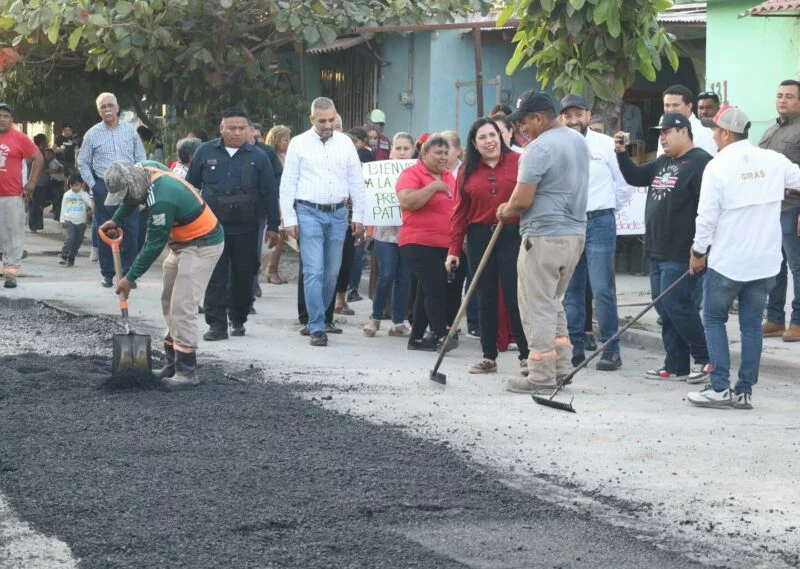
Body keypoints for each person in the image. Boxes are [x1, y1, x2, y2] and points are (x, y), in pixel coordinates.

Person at [686, 105, 800, 410]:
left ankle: (720, 386)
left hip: (728, 263)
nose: (712, 135)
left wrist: (698, 253)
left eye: (714, 130)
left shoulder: (718, 166)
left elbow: (706, 218)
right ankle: (744, 390)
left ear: (724, 132)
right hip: (764, 263)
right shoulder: (774, 160)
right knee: (751, 327)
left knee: (713, 318)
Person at [100, 161, 224, 389]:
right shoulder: (143, 171)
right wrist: (117, 219)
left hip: (201, 245)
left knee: (183, 305)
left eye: (125, 193)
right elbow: (132, 197)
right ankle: (172, 364)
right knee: (168, 301)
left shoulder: (162, 201)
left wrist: (130, 277)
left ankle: (187, 372)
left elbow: (153, 245)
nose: (126, 197)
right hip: (180, 244)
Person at [497, 92, 589, 393]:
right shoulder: (578, 141)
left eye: (524, 122)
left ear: (538, 117)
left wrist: (504, 211)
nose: (523, 129)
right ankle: (562, 368)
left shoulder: (537, 148)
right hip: (574, 235)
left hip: (543, 235)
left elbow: (522, 200)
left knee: (537, 308)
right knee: (553, 304)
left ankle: (540, 375)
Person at [615, 112, 712, 382]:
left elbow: (709, 208)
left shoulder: (702, 163)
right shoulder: (662, 162)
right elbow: (634, 177)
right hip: (657, 248)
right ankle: (676, 364)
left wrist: (701, 249)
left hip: (682, 251)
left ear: (683, 131)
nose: (662, 137)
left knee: (678, 305)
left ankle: (706, 358)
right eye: (660, 133)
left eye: (666, 132)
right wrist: (622, 153)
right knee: (664, 308)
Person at [186, 108, 279, 340]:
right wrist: (187, 222)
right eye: (231, 128)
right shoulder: (205, 152)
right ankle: (217, 325)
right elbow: (190, 189)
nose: (236, 133)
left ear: (248, 130)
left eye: (241, 128)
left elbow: (269, 193)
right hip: (212, 228)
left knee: (243, 275)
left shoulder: (259, 157)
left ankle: (238, 318)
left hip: (247, 228)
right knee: (215, 276)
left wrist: (274, 226)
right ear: (221, 128)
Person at [280, 97, 366, 347]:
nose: (328, 125)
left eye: (331, 120)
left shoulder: (346, 144)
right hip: (308, 212)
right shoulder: (298, 143)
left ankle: (320, 318)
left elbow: (356, 181)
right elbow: (288, 184)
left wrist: (359, 216)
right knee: (314, 271)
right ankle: (316, 325)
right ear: (312, 119)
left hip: (339, 214)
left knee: (331, 273)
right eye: (322, 121)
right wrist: (289, 218)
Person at [447, 117, 529, 375]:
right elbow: (460, 212)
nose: (489, 141)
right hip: (480, 236)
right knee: (486, 297)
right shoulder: (467, 170)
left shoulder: (519, 162)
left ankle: (526, 356)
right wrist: (453, 250)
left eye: (492, 135)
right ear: (474, 143)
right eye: (482, 137)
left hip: (512, 234)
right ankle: (488, 356)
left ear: (502, 136)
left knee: (516, 295)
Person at [560, 94, 634, 371]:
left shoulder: (605, 145)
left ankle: (611, 350)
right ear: (562, 119)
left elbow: (624, 184)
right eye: (568, 115)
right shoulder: (558, 147)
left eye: (578, 114)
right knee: (572, 290)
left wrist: (606, 207)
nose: (574, 120)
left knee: (602, 288)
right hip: (569, 224)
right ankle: (575, 348)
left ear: (589, 116)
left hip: (600, 222)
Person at [77, 92, 147, 288]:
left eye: (110, 105)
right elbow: (82, 162)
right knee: (108, 230)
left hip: (129, 187)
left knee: (131, 230)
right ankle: (107, 273)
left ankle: (128, 274)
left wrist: (139, 182)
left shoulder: (130, 131)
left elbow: (141, 157)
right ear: (98, 111)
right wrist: (94, 185)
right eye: (103, 107)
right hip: (104, 187)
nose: (107, 109)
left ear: (117, 108)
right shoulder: (92, 134)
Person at [396, 134, 458, 352]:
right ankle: (441, 335)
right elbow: (407, 201)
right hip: (418, 242)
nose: (443, 157)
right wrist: (433, 187)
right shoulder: (412, 173)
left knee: (426, 288)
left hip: (445, 243)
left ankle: (417, 338)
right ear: (423, 154)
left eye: (445, 153)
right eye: (438, 153)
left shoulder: (450, 176)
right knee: (435, 286)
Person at [363, 132, 414, 338]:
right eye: (398, 148)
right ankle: (375, 318)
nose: (402, 153)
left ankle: (398, 322)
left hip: (409, 233)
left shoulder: (418, 172)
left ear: (413, 150)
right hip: (386, 234)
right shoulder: (379, 172)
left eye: (406, 148)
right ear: (391, 150)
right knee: (386, 275)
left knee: (404, 277)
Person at [760, 79, 800, 342]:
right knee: (774, 265)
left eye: (789, 96)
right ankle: (775, 318)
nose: (782, 100)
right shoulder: (772, 129)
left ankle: (798, 321)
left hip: (793, 208)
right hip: (771, 208)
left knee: (797, 267)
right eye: (779, 95)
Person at [0, 102, 43, 288]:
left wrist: (32, 182)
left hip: (12, 196)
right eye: (0, 115)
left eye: (6, 116)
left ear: (11, 120)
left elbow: (38, 158)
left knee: (12, 235)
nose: (2, 119)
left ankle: (10, 273)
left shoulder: (19, 138)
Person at [247, 122, 283, 308]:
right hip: (226, 214)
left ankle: (251, 291)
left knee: (253, 253)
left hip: (257, 211)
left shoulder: (265, 154)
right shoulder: (216, 151)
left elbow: (273, 185)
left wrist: (273, 221)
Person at [264, 125, 291, 285]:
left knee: (284, 236)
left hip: (288, 197)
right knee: (279, 235)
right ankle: (271, 269)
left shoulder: (288, 155)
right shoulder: (270, 156)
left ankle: (273, 268)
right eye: (284, 140)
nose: (287, 143)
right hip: (277, 198)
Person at [659, 84, 717, 157]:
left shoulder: (704, 131)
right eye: (667, 105)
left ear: (689, 106)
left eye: (675, 105)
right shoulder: (663, 131)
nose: (670, 110)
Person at [59, 173, 93, 266]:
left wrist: (92, 207)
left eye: (77, 185)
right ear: (70, 185)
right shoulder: (67, 195)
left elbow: (90, 203)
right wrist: (62, 220)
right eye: (72, 185)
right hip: (69, 220)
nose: (75, 187)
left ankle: (71, 256)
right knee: (71, 238)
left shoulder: (84, 194)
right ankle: (64, 254)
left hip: (81, 222)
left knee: (78, 241)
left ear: (81, 185)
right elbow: (63, 207)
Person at [28, 135, 50, 232]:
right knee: (34, 205)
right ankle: (33, 225)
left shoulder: (43, 153)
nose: (47, 143)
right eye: (46, 141)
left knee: (39, 205)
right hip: (36, 183)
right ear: (41, 143)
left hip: (41, 183)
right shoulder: (34, 152)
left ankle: (36, 225)